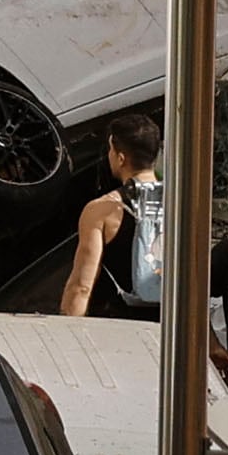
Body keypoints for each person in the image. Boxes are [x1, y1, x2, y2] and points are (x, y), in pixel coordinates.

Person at [60, 114, 164, 320]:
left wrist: (67, 328)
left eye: (110, 149)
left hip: (117, 326)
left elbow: (82, 285)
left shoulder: (102, 210)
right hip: (171, 328)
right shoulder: (184, 207)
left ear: (121, 157)